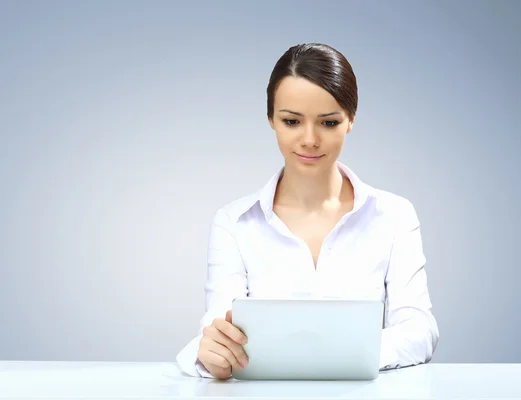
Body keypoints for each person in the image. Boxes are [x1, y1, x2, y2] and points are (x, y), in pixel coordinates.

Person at [176, 43, 439, 379]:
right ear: (271, 119)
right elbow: (219, 325)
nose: (310, 140)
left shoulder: (394, 216)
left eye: (328, 123)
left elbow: (419, 328)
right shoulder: (234, 223)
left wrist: (343, 354)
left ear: (351, 120)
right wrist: (214, 351)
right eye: (292, 121)